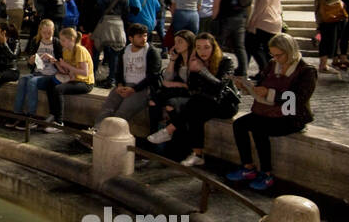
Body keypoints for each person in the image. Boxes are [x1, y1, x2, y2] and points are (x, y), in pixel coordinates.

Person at [228, 33, 317, 190]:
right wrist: (248, 87)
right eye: (273, 54)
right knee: (240, 124)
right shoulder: (272, 64)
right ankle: (247, 167)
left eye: (278, 55)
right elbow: (261, 83)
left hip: (290, 116)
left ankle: (267, 173)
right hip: (267, 110)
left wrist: (269, 93)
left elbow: (298, 98)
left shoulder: (306, 71)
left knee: (259, 129)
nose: (275, 58)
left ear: (289, 51)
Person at [147, 32, 238, 166]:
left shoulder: (226, 61)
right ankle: (197, 154)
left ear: (213, 47)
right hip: (203, 103)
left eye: (206, 47)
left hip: (225, 104)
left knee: (194, 105)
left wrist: (203, 70)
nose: (202, 51)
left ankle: (170, 130)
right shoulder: (196, 61)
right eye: (199, 47)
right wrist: (193, 70)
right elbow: (193, 88)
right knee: (195, 112)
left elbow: (219, 87)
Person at [12, 23, 93, 131]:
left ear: (71, 39)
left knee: (58, 89)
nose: (61, 43)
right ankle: (52, 114)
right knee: (51, 84)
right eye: (61, 40)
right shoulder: (66, 51)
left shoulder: (80, 50)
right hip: (72, 79)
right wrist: (56, 62)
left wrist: (65, 66)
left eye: (63, 40)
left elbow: (84, 73)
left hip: (85, 83)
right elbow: (66, 71)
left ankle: (59, 122)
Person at [95, 23, 161, 128]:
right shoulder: (125, 51)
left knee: (121, 114)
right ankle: (97, 131)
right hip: (125, 85)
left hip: (142, 89)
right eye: (140, 36)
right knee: (107, 109)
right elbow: (119, 71)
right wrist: (120, 85)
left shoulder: (152, 52)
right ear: (131, 38)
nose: (143, 39)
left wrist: (134, 89)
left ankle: (110, 136)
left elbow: (153, 76)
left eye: (145, 36)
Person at [210, 0, 250, 77]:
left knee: (218, 44)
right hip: (240, 16)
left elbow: (217, 1)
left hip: (224, 17)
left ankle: (218, 69)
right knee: (239, 46)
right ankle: (243, 70)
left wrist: (214, 17)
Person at [314, 0, 347, 76]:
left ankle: (326, 63)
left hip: (332, 16)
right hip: (327, 16)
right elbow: (328, 0)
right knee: (327, 40)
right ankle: (323, 64)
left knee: (331, 39)